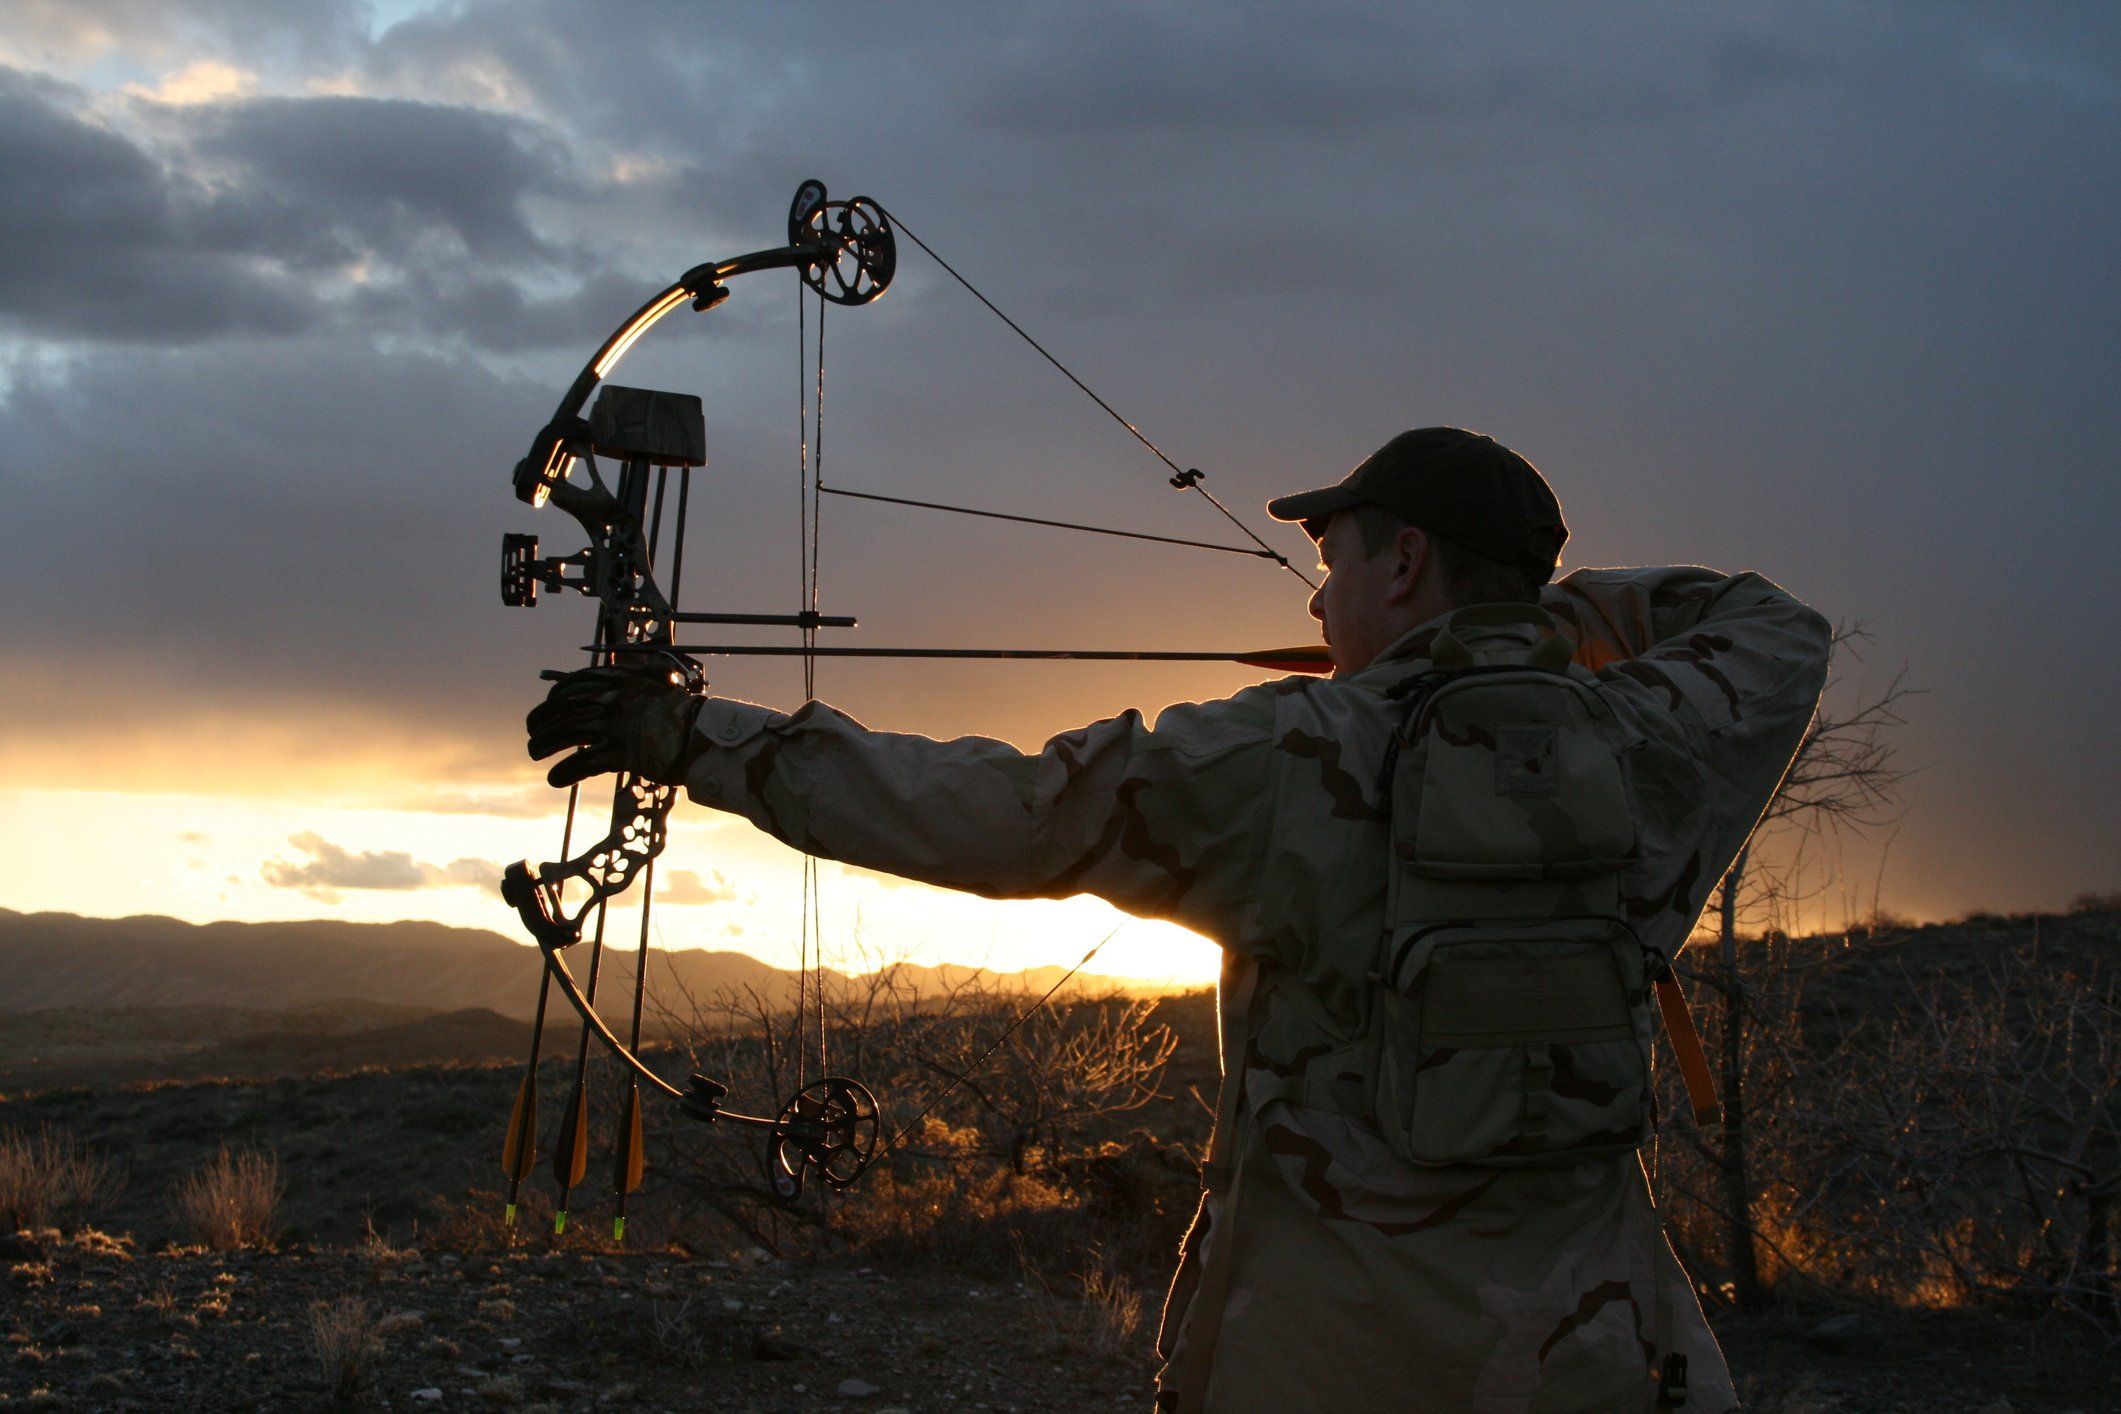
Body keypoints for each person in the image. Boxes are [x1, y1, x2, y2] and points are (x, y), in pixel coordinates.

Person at [528, 427, 1831, 1412]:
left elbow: (1001, 812)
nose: (1316, 603)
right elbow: (1771, 622)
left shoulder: (1293, 753)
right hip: (1597, 1360)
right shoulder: (1657, 737)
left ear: (1405, 560)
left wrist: (689, 737)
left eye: (1335, 564)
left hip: (1329, 1366)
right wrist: (1524, 631)